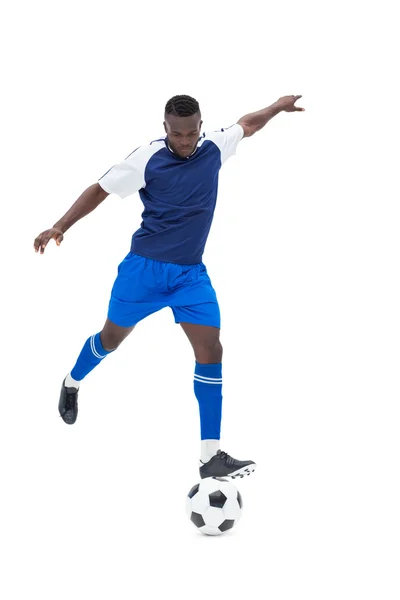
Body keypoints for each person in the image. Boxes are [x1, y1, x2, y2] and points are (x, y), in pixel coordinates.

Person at [34, 93, 305, 479]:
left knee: (211, 349)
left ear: (200, 126)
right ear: (165, 129)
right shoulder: (147, 158)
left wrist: (277, 108)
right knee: (110, 339)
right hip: (143, 272)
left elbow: (247, 125)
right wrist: (60, 225)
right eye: (176, 134)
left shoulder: (212, 146)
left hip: (190, 276)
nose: (185, 141)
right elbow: (100, 189)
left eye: (191, 132)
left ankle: (209, 456)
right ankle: (72, 381)